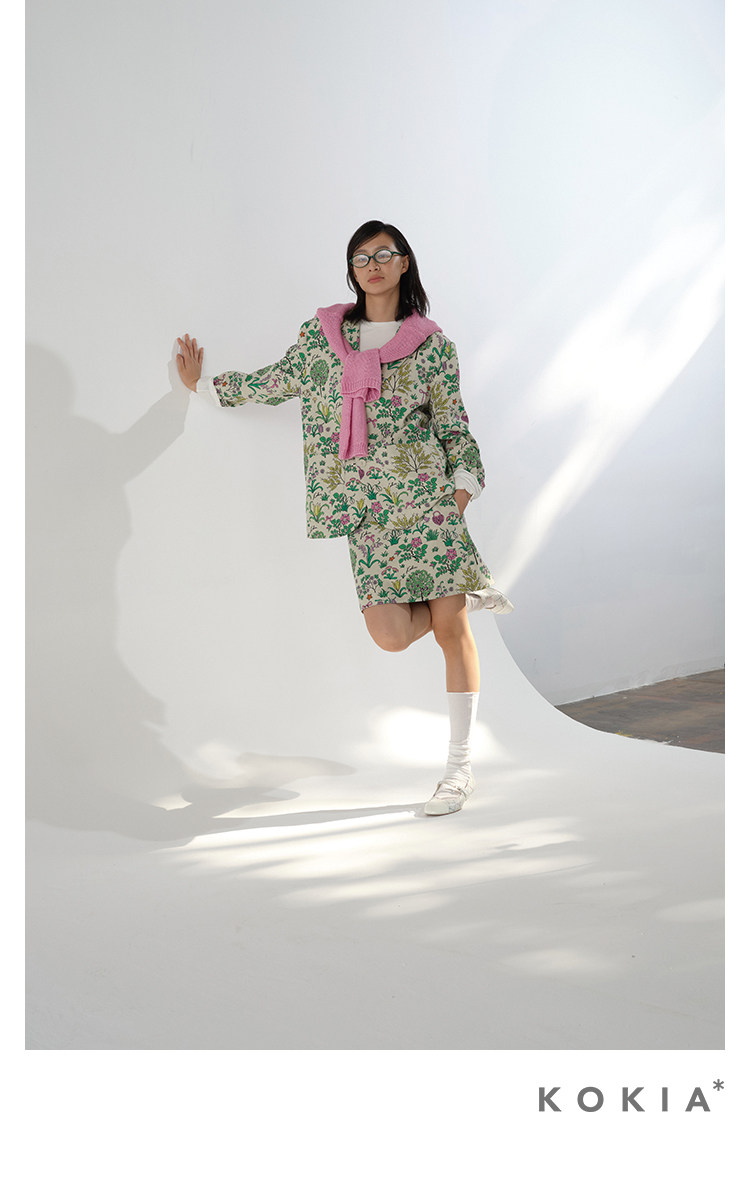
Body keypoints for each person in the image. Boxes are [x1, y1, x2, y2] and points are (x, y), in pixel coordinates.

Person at [176, 219, 512, 815]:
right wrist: (203, 388)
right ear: (352, 269)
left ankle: (458, 770)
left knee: (451, 631)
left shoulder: (432, 345)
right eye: (361, 257)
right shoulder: (323, 337)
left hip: (427, 503)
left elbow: (453, 424)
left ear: (404, 263)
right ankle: (464, 597)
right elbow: (278, 380)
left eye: (384, 254)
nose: (372, 265)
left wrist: (460, 493)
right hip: (367, 513)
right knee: (389, 635)